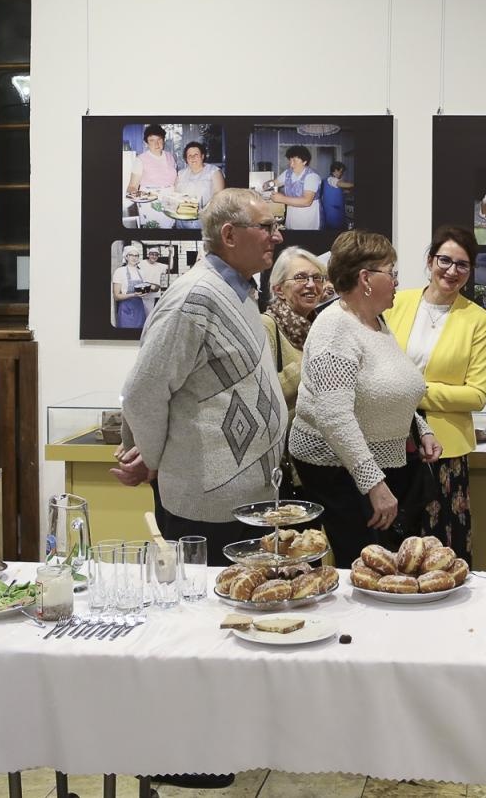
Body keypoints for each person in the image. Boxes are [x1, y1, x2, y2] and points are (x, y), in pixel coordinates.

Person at [111, 198, 278, 794]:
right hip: (206, 496)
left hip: (241, 491)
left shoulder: (238, 291)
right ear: (229, 234)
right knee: (196, 628)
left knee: (229, 622)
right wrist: (148, 458)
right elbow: (145, 387)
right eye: (268, 227)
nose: (276, 237)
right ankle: (179, 753)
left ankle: (219, 738)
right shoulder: (193, 297)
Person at [288, 230, 442, 566]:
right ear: (366, 279)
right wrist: (374, 483)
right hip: (338, 469)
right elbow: (334, 416)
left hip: (374, 464)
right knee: (365, 565)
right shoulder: (335, 329)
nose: (397, 283)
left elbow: (383, 390)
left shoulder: (375, 323)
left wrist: (420, 427)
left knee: (386, 564)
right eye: (392, 273)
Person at [384, 225, 486, 565]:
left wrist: (415, 391)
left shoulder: (477, 318)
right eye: (445, 260)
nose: (452, 271)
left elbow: (476, 394)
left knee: (444, 547)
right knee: (391, 543)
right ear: (430, 261)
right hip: (388, 440)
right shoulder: (394, 302)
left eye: (462, 265)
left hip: (445, 453)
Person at [263, 246, 326, 417]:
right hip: (284, 439)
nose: (312, 285)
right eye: (301, 278)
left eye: (317, 278)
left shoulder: (322, 327)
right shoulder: (267, 326)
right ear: (279, 290)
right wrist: (311, 364)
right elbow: (261, 394)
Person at [125, 123, 177, 229]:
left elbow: (175, 181)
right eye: (152, 140)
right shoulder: (140, 159)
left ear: (164, 140)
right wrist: (136, 195)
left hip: (171, 202)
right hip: (151, 205)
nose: (156, 144)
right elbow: (132, 187)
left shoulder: (170, 156)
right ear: (146, 143)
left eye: (159, 139)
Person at [173, 140, 224, 229]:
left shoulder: (214, 171)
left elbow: (219, 197)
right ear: (186, 159)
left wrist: (202, 211)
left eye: (196, 155)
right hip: (181, 219)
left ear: (202, 156)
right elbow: (175, 195)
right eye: (189, 156)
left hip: (204, 220)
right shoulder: (181, 174)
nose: (192, 158)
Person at [271, 145, 322, 231]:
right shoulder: (288, 172)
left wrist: (282, 198)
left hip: (307, 217)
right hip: (291, 215)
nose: (291, 164)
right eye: (290, 160)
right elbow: (275, 182)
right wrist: (268, 184)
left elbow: (306, 201)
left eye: (294, 161)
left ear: (304, 161)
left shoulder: (312, 176)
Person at [111, 244, 150, 329]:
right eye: (131, 255)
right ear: (126, 256)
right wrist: (134, 295)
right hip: (126, 310)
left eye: (136, 255)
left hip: (140, 309)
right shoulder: (120, 271)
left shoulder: (141, 272)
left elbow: (144, 289)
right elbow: (116, 296)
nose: (134, 257)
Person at [136, 245, 168, 316]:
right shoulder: (142, 263)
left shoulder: (160, 265)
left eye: (156, 255)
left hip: (155, 292)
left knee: (151, 315)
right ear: (148, 255)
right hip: (143, 292)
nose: (154, 256)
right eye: (152, 254)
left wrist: (171, 255)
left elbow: (170, 267)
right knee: (142, 315)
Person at [320, 160, 352, 230]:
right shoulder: (332, 179)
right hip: (333, 212)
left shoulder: (328, 180)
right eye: (341, 171)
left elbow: (336, 191)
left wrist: (344, 192)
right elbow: (342, 184)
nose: (341, 174)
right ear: (335, 170)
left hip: (332, 211)